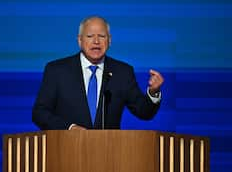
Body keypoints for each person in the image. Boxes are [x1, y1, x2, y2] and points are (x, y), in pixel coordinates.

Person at [32, 16, 164, 130]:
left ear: (109, 40)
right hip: (68, 150)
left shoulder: (122, 72)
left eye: (101, 36)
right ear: (79, 40)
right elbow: (39, 113)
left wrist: (153, 92)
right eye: (90, 36)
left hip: (108, 152)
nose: (96, 41)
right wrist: (69, 128)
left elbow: (144, 112)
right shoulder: (57, 70)